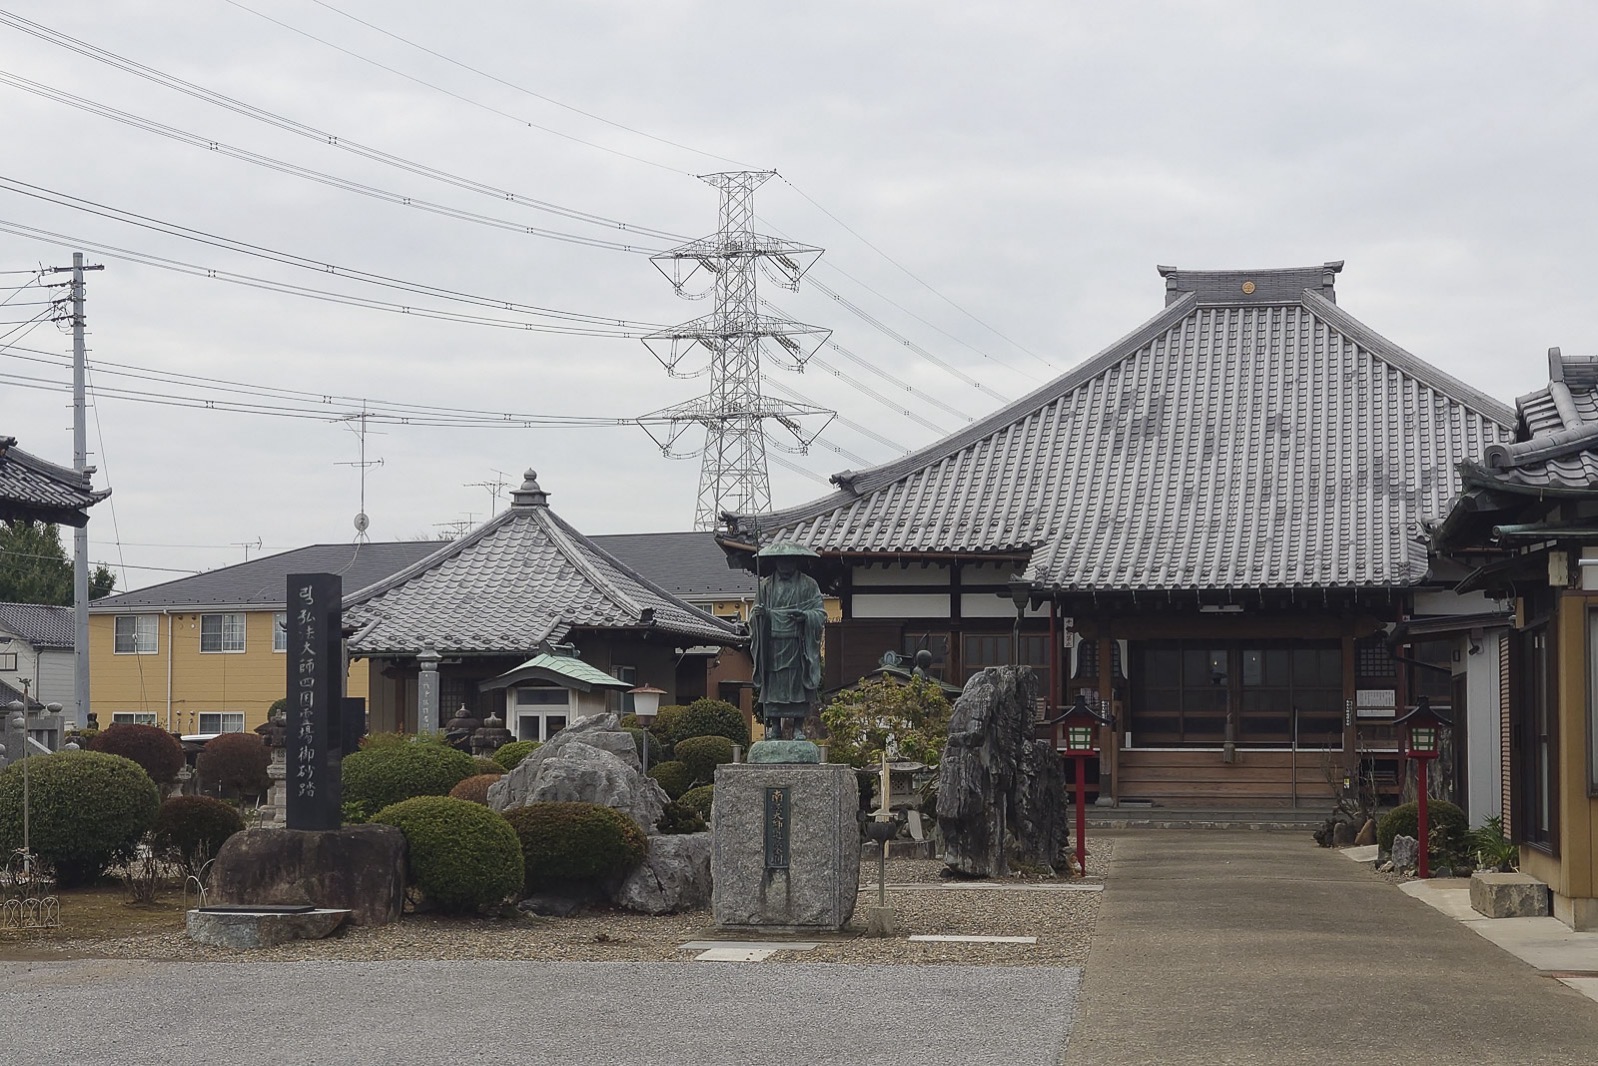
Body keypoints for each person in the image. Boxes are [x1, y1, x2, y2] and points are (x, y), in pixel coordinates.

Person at [749, 543, 827, 741]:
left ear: (796, 561)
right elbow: (754, 615)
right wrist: (759, 615)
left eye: (789, 561)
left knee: (797, 687)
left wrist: (806, 616)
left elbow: (820, 614)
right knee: (773, 686)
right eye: (781, 561)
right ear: (775, 562)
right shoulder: (765, 586)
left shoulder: (809, 585)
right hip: (773, 644)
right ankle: (774, 727)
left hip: (797, 643)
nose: (785, 565)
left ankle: (798, 728)